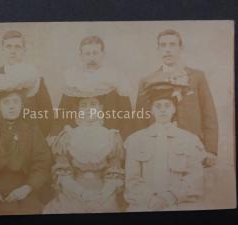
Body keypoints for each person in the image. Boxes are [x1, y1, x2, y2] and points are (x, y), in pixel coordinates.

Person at [135, 29, 218, 167]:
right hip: (158, 146)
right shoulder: (147, 81)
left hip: (192, 146)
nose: (168, 50)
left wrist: (210, 149)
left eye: (172, 45)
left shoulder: (197, 77)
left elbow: (208, 114)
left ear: (181, 48)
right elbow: (140, 119)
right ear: (158, 49)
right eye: (163, 45)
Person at [124, 82, 206, 211]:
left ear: (174, 109)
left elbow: (194, 178)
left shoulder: (189, 140)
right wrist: (149, 200)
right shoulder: (136, 140)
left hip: (178, 203)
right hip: (145, 203)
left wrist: (170, 197)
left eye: (167, 105)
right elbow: (132, 180)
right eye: (158, 106)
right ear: (151, 110)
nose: (163, 110)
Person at [0, 30, 53, 137]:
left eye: (17, 47)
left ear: (24, 50)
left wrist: (34, 141)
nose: (13, 51)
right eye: (8, 46)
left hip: (27, 147)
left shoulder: (36, 79)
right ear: (2, 50)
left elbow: (47, 115)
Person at [43, 97, 124, 213]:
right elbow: (62, 174)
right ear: (78, 110)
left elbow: (114, 174)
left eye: (93, 104)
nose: (88, 109)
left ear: (100, 108)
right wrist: (81, 193)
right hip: (72, 190)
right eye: (84, 105)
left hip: (103, 191)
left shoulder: (111, 136)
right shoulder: (67, 136)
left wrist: (102, 196)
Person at [49, 35, 133, 142]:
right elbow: (62, 115)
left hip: (109, 139)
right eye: (87, 54)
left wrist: (124, 141)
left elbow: (126, 117)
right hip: (77, 139)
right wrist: (55, 135)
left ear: (103, 54)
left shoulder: (116, 78)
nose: (91, 58)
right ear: (81, 56)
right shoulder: (73, 79)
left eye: (95, 53)